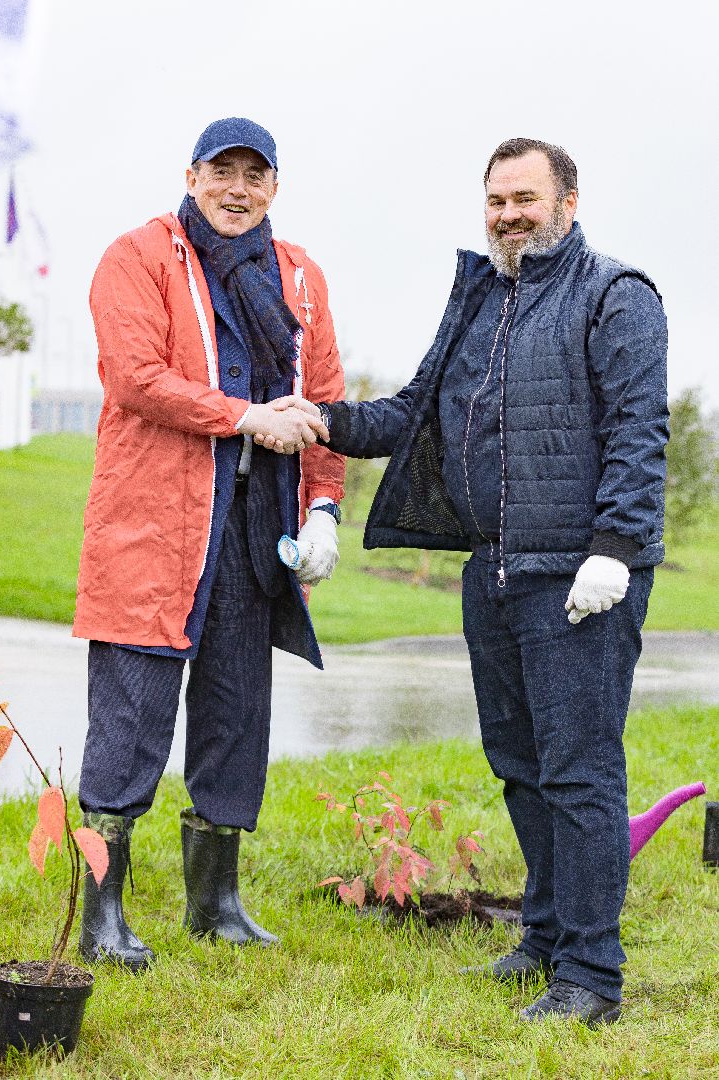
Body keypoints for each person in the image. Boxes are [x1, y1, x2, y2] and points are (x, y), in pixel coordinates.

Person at [281, 139, 668, 1025]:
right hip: (490, 574)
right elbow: (408, 413)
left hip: (579, 580)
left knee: (579, 774)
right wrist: (320, 420)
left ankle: (591, 976)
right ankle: (542, 939)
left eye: (525, 197)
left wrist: (613, 547)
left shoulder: (616, 295)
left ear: (568, 201)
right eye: (495, 199)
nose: (507, 214)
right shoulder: (481, 300)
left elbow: (639, 432)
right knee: (520, 766)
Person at [73, 117, 345, 969]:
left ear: (274, 186)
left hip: (256, 533)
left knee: (235, 713)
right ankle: (102, 913)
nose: (237, 188)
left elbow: (323, 401)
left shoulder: (299, 276)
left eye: (253, 175)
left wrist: (324, 506)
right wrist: (240, 416)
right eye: (220, 171)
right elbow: (135, 376)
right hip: (154, 527)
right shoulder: (137, 256)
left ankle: (215, 901)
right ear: (190, 176)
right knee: (131, 715)